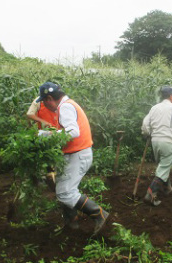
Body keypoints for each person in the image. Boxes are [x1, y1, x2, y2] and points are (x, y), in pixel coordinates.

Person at [36, 82, 109, 235]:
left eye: (43, 101)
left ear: (49, 98)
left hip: (78, 154)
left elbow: (73, 132)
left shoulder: (65, 107)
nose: (43, 105)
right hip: (74, 154)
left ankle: (99, 214)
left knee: (65, 193)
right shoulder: (66, 106)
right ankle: (71, 224)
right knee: (63, 189)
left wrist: (47, 135)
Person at [26, 96, 59, 189]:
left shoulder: (59, 100)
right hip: (43, 133)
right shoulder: (38, 101)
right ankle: (46, 177)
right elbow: (29, 114)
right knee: (46, 155)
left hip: (58, 132)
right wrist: (43, 121)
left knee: (56, 155)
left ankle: (52, 177)